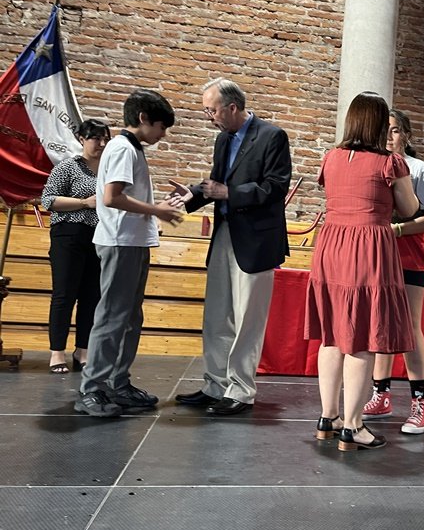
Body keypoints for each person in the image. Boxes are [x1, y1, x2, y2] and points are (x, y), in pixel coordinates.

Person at [305, 92, 419, 452]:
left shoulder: (331, 157)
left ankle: (328, 417)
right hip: (368, 247)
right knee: (362, 335)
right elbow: (410, 209)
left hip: (331, 246)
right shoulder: (390, 163)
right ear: (379, 124)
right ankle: (353, 427)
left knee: (332, 335)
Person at [173, 78, 292, 416]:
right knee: (217, 316)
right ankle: (216, 385)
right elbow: (217, 183)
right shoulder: (223, 139)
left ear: (232, 107)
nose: (208, 117)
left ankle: (240, 391)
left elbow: (275, 187)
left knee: (247, 321)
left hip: (256, 240)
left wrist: (229, 193)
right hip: (224, 233)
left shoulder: (272, 136)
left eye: (211, 111)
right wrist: (192, 195)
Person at [75, 89, 183, 417]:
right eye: (161, 127)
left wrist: (155, 207)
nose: (163, 134)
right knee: (112, 317)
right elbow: (112, 197)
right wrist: (157, 210)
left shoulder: (132, 149)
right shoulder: (123, 147)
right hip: (120, 242)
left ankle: (118, 384)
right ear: (143, 118)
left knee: (130, 318)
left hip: (132, 242)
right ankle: (92, 389)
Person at [362, 109, 424, 435]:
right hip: (378, 256)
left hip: (410, 256)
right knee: (380, 325)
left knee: (409, 327)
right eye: (384, 130)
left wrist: (398, 229)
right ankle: (380, 395)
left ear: (406, 135)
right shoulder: (372, 165)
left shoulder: (419, 169)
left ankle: (420, 405)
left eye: (395, 130)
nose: (389, 136)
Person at [41, 119, 111, 374]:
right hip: (68, 235)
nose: (101, 144)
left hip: (98, 236)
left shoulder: (109, 170)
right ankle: (56, 352)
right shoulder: (68, 166)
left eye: (105, 139)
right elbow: (48, 200)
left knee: (92, 296)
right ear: (82, 139)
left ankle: (82, 350)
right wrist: (83, 203)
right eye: (95, 138)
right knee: (64, 295)